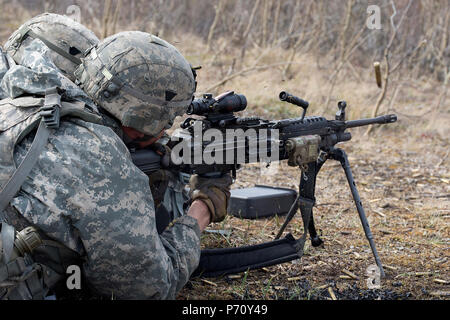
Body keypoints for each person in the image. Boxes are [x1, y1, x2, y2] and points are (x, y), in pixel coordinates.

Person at [0, 29, 232, 299]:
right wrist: (203, 207)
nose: (168, 127)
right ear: (144, 117)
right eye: (170, 117)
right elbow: (151, 288)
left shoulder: (21, 104)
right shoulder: (102, 162)